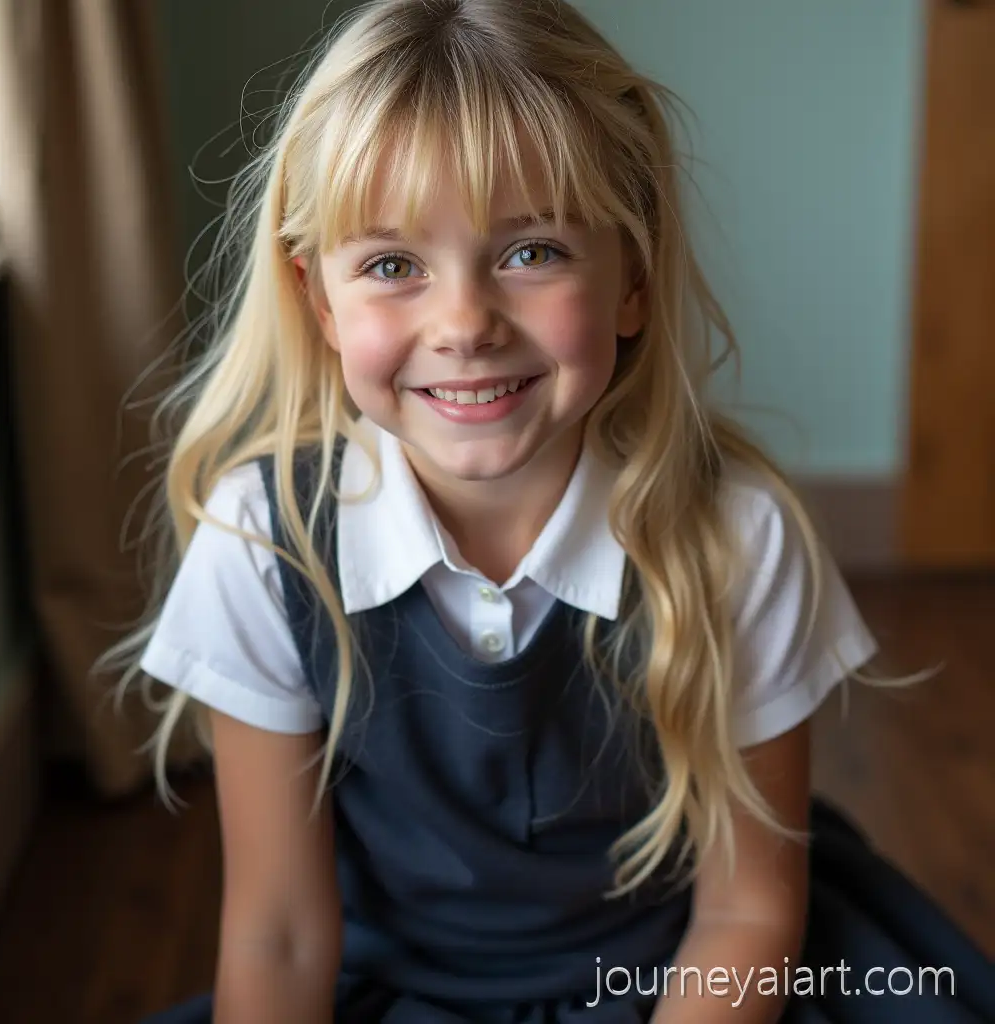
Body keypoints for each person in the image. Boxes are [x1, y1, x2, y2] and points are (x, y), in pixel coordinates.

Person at [112, 1, 994, 1021]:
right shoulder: (267, 544)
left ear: (632, 276)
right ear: (320, 303)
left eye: (530, 252)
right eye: (393, 266)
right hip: (393, 987)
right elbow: (279, 930)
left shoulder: (735, 536)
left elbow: (748, 911)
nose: (463, 325)